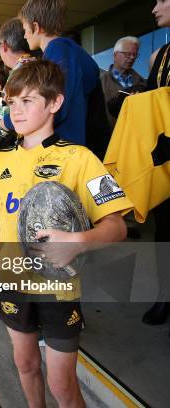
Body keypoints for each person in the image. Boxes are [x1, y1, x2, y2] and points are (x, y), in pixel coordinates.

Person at [0, 60, 132, 407]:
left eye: (27, 101)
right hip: (12, 281)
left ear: (55, 103)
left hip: (58, 288)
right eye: (12, 102)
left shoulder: (80, 158)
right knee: (25, 363)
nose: (16, 110)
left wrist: (78, 242)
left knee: (62, 384)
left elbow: (117, 225)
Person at [16, 0, 111, 159]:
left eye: (25, 29)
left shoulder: (58, 51)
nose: (24, 35)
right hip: (88, 149)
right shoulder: (71, 50)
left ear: (36, 27)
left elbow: (55, 107)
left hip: (72, 152)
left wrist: (9, 121)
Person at [140, 0, 170, 328]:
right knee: (165, 232)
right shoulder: (161, 56)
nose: (155, 8)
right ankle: (165, 295)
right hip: (165, 160)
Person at [100, 36, 147, 130]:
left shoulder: (143, 83)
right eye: (127, 54)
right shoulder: (100, 81)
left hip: (136, 137)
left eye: (135, 54)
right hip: (110, 138)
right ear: (115, 54)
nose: (132, 58)